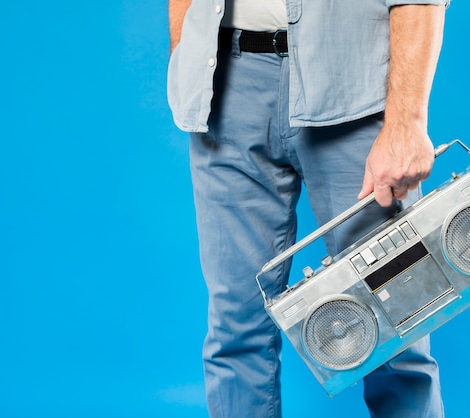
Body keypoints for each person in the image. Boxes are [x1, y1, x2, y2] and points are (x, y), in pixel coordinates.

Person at [167, 0, 449, 416]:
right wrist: (185, 62)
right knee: (234, 328)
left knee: (399, 322)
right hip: (227, 85)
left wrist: (406, 122)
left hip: (354, 83)